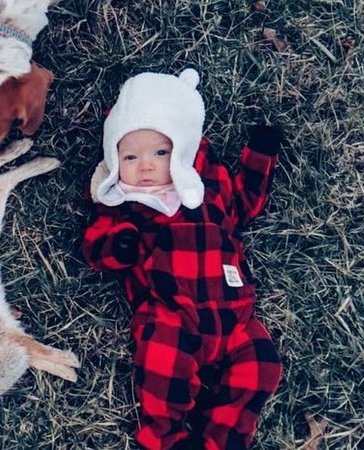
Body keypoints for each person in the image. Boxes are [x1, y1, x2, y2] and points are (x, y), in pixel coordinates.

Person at [82, 68, 283, 449]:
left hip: (235, 314)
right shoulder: (124, 203)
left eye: (160, 152)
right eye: (129, 155)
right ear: (114, 159)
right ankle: (166, 439)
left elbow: (245, 202)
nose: (145, 165)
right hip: (171, 310)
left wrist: (260, 155)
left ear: (184, 149)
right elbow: (95, 247)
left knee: (262, 366)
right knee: (162, 365)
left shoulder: (207, 187)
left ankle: (223, 437)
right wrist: (121, 245)